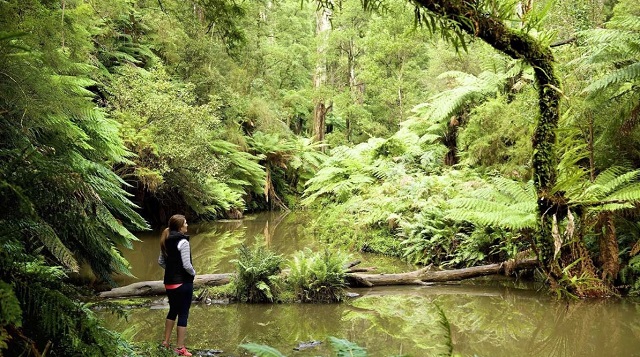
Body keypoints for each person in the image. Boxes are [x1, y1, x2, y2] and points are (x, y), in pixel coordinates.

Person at [158, 214, 195, 357]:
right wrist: (194, 273)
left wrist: (172, 269)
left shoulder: (166, 240)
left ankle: (165, 342)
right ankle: (180, 348)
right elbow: (187, 265)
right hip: (183, 283)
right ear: (180, 227)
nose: (187, 225)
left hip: (169, 283)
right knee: (183, 313)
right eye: (185, 223)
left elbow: (161, 262)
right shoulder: (183, 242)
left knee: (172, 310)